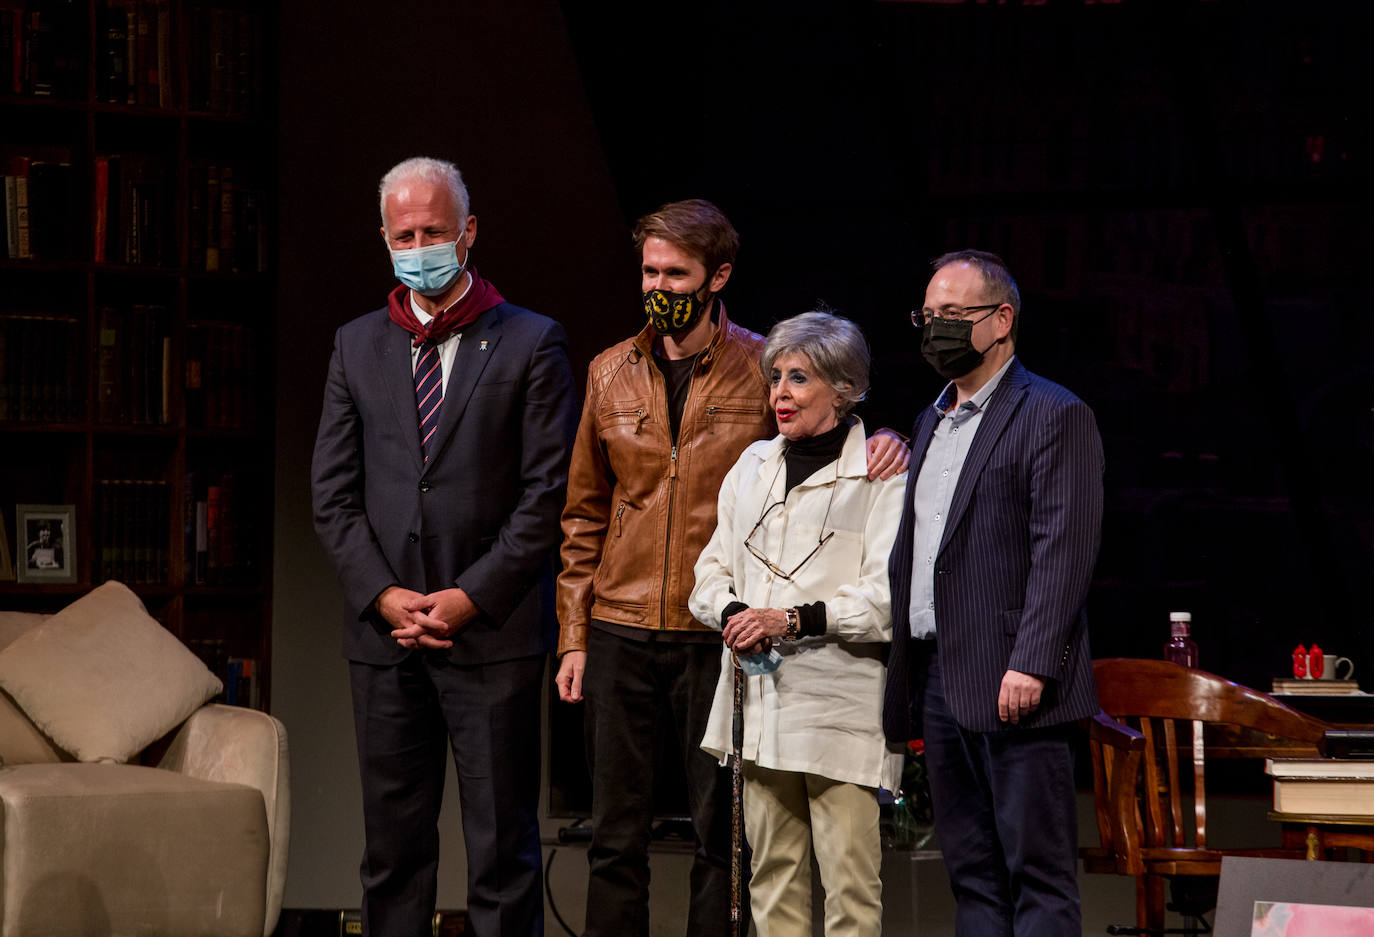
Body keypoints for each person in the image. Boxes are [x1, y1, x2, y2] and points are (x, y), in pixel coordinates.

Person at [554, 199, 908, 937]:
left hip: (716, 637)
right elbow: (584, 513)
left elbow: (829, 428)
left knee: (728, 838)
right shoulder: (608, 373)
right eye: (649, 270)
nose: (658, 286)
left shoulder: (760, 367)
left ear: (717, 275)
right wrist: (573, 634)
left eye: (675, 272)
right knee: (616, 833)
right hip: (625, 621)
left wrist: (893, 438)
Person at [310, 156, 577, 937]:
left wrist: (466, 598)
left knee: (500, 851)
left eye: (433, 230)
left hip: (489, 637)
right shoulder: (357, 345)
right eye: (404, 234)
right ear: (385, 239)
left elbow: (545, 495)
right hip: (385, 638)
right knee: (392, 855)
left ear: (468, 232)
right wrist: (386, 594)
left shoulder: (530, 342)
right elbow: (331, 492)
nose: (419, 244)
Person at [882, 250, 1104, 937]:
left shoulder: (1052, 413)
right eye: (928, 315)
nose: (935, 328)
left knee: (1036, 874)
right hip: (943, 674)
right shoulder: (932, 420)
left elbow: (1062, 549)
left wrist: (1033, 661)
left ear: (1001, 320)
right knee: (972, 874)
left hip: (1016, 681)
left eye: (954, 315)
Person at [691, 311, 907, 937]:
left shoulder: (881, 472)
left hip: (840, 706)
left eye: (799, 379)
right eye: (775, 378)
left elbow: (886, 598)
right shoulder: (751, 464)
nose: (780, 394)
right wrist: (735, 614)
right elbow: (708, 578)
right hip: (759, 702)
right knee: (772, 876)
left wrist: (790, 619)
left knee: (850, 883)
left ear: (843, 389)